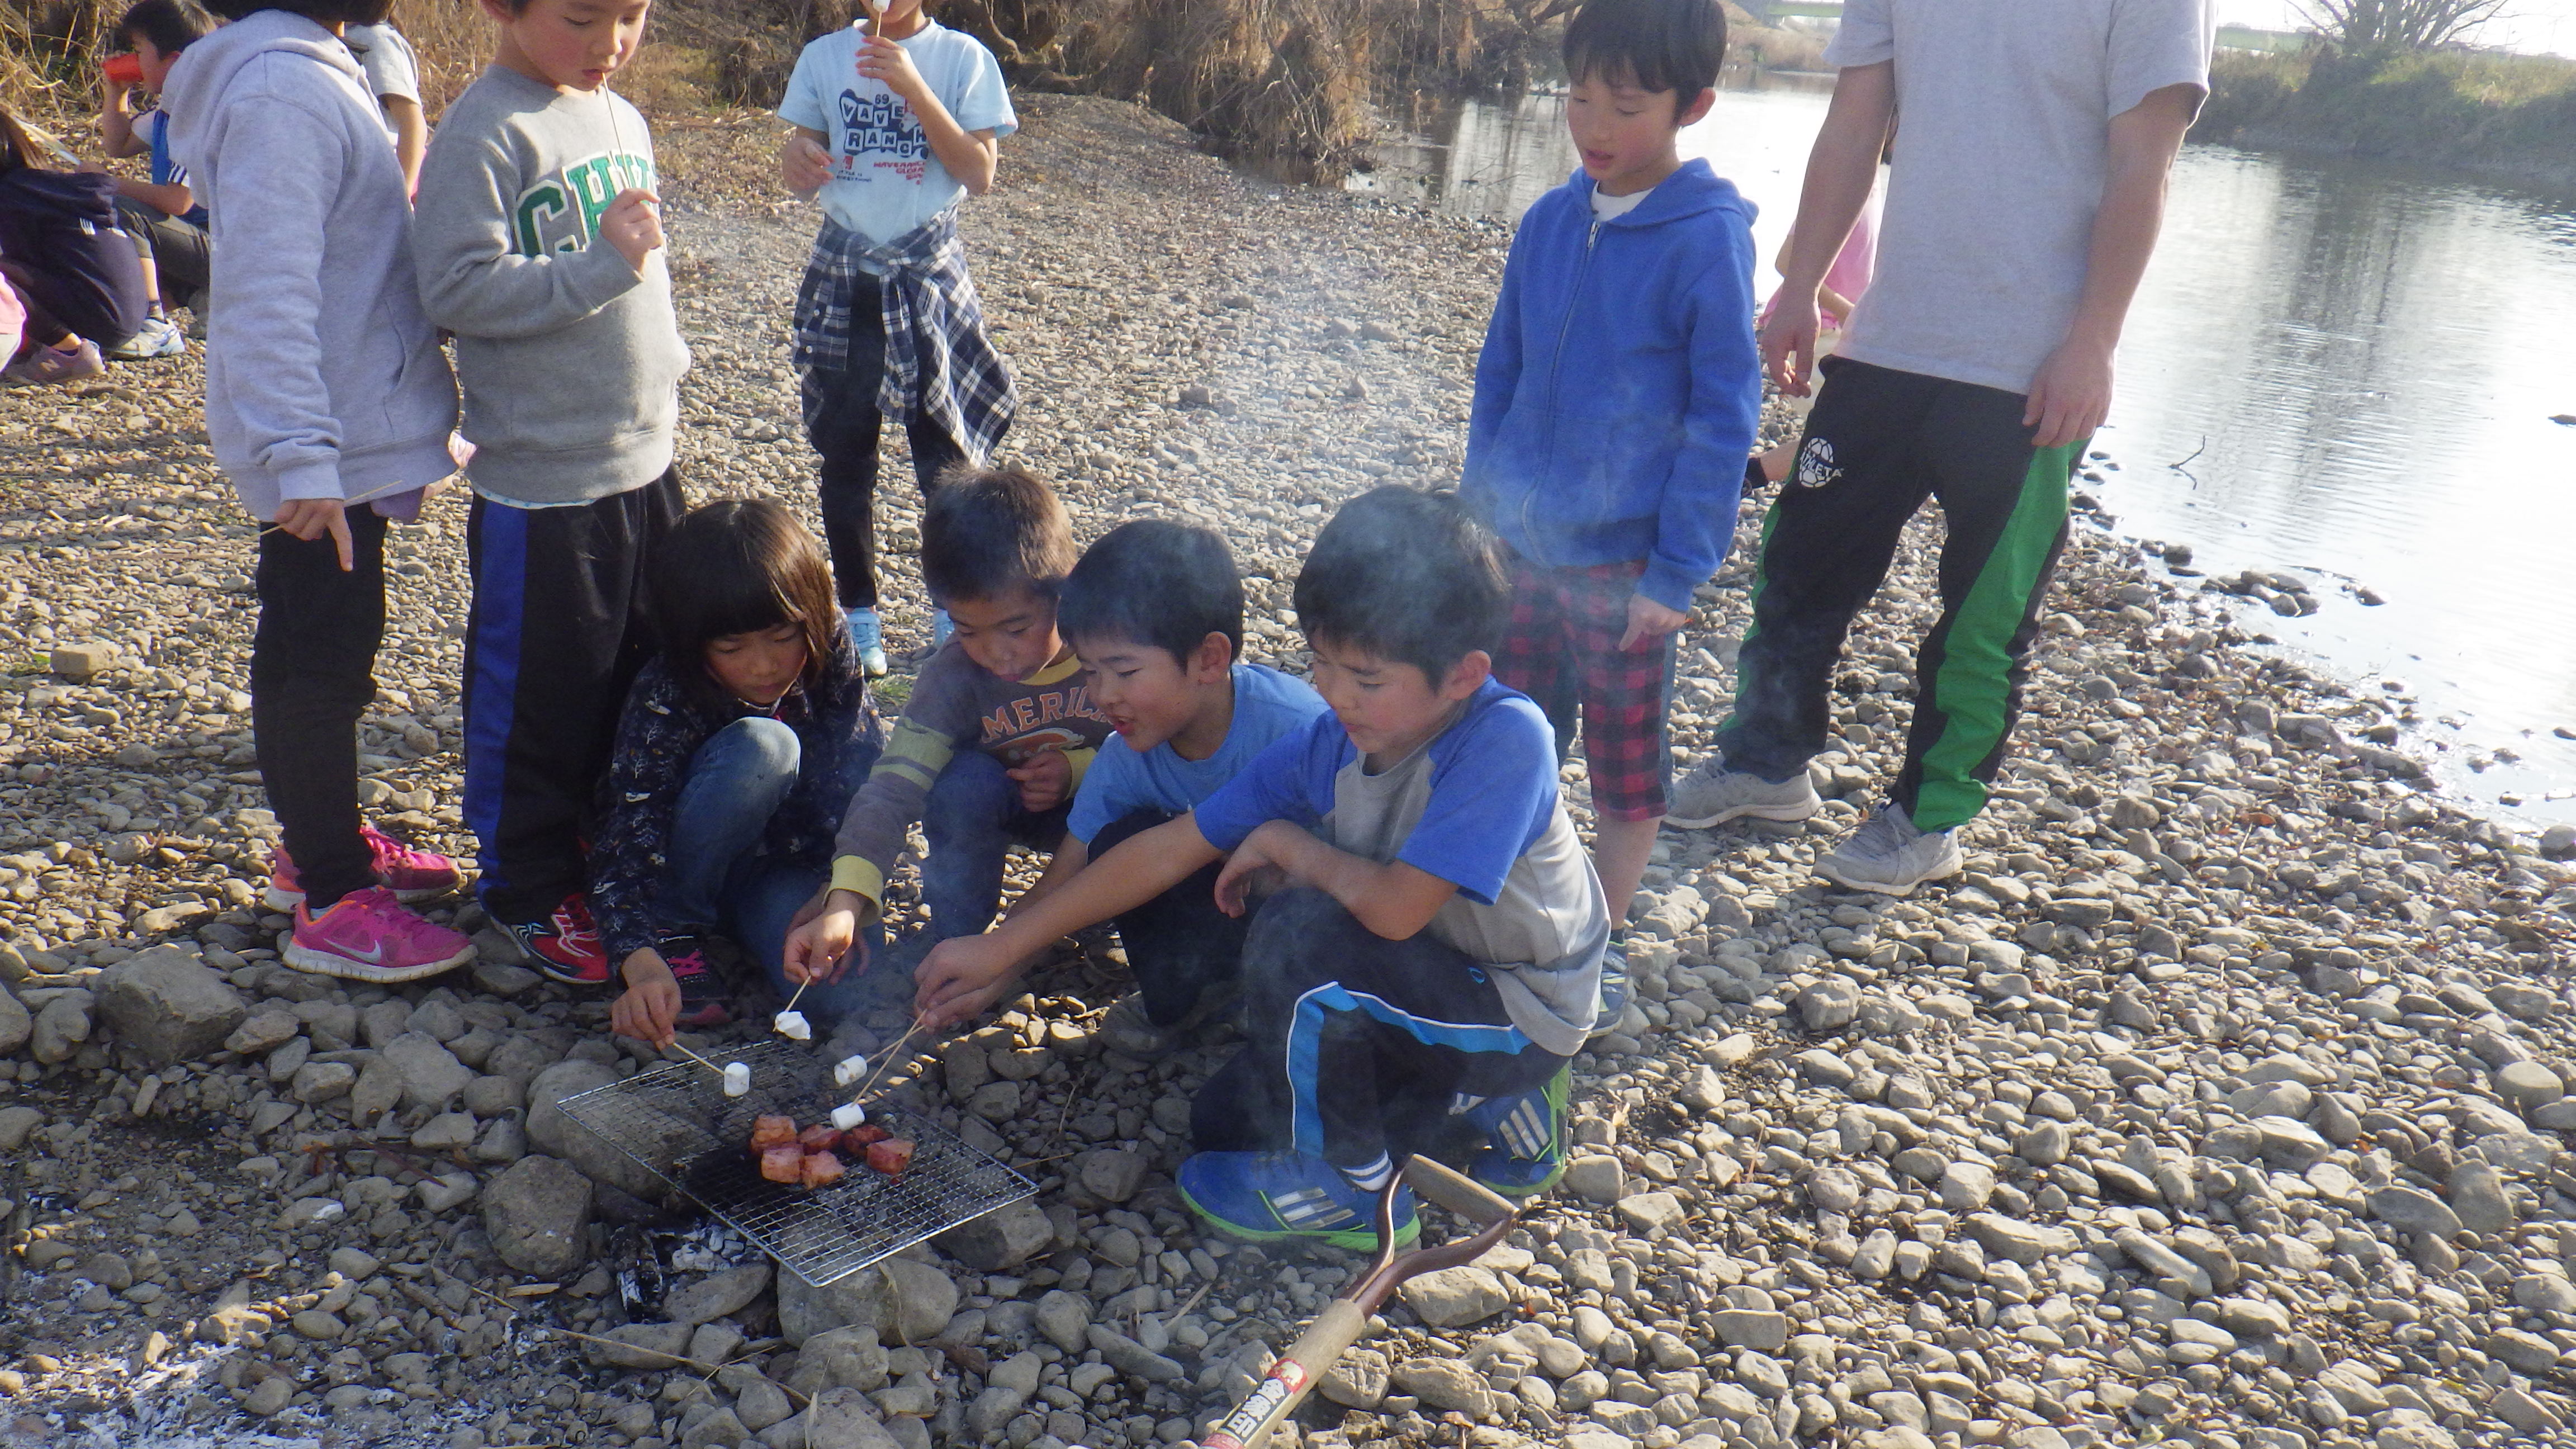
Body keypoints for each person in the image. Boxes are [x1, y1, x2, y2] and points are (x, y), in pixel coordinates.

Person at [916, 488, 1610, 1247]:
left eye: (1366, 679)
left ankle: (1359, 1186)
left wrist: (1289, 844)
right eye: (1323, 664)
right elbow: (1172, 846)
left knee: (1302, 929)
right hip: (1425, 979)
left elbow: (1396, 911)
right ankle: (1475, 1105)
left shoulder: (1506, 739)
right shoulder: (1337, 738)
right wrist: (1001, 949)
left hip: (1520, 1008)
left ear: (1462, 676)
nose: (1335, 695)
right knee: (1225, 1126)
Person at [1670, 0, 2213, 894]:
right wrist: (1801, 281)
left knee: (1983, 617)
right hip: (1889, 337)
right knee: (1800, 564)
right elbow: (1853, 125)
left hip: (2029, 362)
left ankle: (1929, 815)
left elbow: (2143, 162)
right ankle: (1765, 762)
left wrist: (2095, 342)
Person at [162, 0, 474, 981]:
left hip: (335, 432)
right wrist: (300, 456)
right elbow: (263, 286)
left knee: (305, 639)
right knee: (324, 658)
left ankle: (317, 838)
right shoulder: (280, 90)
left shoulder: (313, 64)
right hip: (321, 446)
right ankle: (335, 896)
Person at [1461, 0, 1759, 944]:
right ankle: (1516, 899)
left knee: (1625, 763)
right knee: (1514, 732)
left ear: (1693, 105)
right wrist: (1476, 514)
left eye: (1625, 107)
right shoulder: (1549, 221)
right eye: (1578, 98)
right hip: (1518, 542)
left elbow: (1723, 418)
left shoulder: (1705, 236)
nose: (1594, 127)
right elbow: (1498, 369)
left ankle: (1603, 934)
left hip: (1624, 563)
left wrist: (1677, 571)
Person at [416, 0, 690, 986]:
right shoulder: (484, 129)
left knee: (637, 676)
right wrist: (596, 269)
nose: (611, 43)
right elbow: (452, 288)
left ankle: (604, 853)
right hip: (542, 480)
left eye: (632, 16)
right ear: (503, 8)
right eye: (582, 18)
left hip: (645, 459)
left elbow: (640, 274)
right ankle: (526, 886)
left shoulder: (620, 116)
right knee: (541, 693)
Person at [911, 519, 1329, 1053]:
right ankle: (1203, 1000)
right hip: (1218, 933)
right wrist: (993, 968)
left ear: (1209, 659)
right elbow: (1063, 878)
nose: (1104, 696)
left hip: (1314, 934)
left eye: (1124, 671)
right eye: (1089, 671)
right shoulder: (1127, 754)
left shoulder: (1295, 729)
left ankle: (1284, 1013)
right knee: (1119, 839)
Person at [781, 466, 1111, 991]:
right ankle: (957, 933)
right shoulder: (954, 676)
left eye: (1016, 628)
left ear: (1065, 593)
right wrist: (845, 902)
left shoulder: (1110, 650)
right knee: (963, 782)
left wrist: (1080, 770)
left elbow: (1167, 747)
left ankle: (1109, 910)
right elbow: (893, 788)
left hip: (1112, 818)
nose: (994, 652)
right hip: (1008, 809)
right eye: (967, 629)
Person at [778, 0, 1017, 676]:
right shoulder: (825, 57)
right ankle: (859, 613)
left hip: (927, 274)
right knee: (846, 455)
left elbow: (980, 173)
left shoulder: (963, 58)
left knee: (944, 457)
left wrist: (911, 86)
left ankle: (953, 610)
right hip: (846, 271)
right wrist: (798, 159)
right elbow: (802, 162)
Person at [600, 501, 884, 1049]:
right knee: (766, 747)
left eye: (782, 637)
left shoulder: (831, 649)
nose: (763, 665)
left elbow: (870, 778)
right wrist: (638, 957)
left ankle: (745, 923)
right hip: (686, 861)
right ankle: (677, 926)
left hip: (781, 869)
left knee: (837, 993)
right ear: (692, 643)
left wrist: (841, 892)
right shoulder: (668, 690)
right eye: (732, 648)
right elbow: (629, 831)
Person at [93, 0, 214, 357]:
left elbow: (179, 202)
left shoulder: (197, 113)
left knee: (121, 208)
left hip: (224, 248)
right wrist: (117, 92)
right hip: (191, 244)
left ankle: (156, 323)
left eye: (139, 51)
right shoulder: (167, 112)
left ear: (173, 61)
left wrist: (106, 184)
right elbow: (119, 145)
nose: (134, 59)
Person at [0, 101, 145, 382]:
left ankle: (68, 352)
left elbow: (19, 270)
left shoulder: (12, 198)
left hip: (98, 321)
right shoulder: (47, 189)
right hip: (126, 318)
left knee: (4, 273)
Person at [341, 18, 428, 193]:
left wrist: (402, 197)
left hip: (387, 184)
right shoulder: (334, 38)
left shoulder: (374, 39)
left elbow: (413, 125)